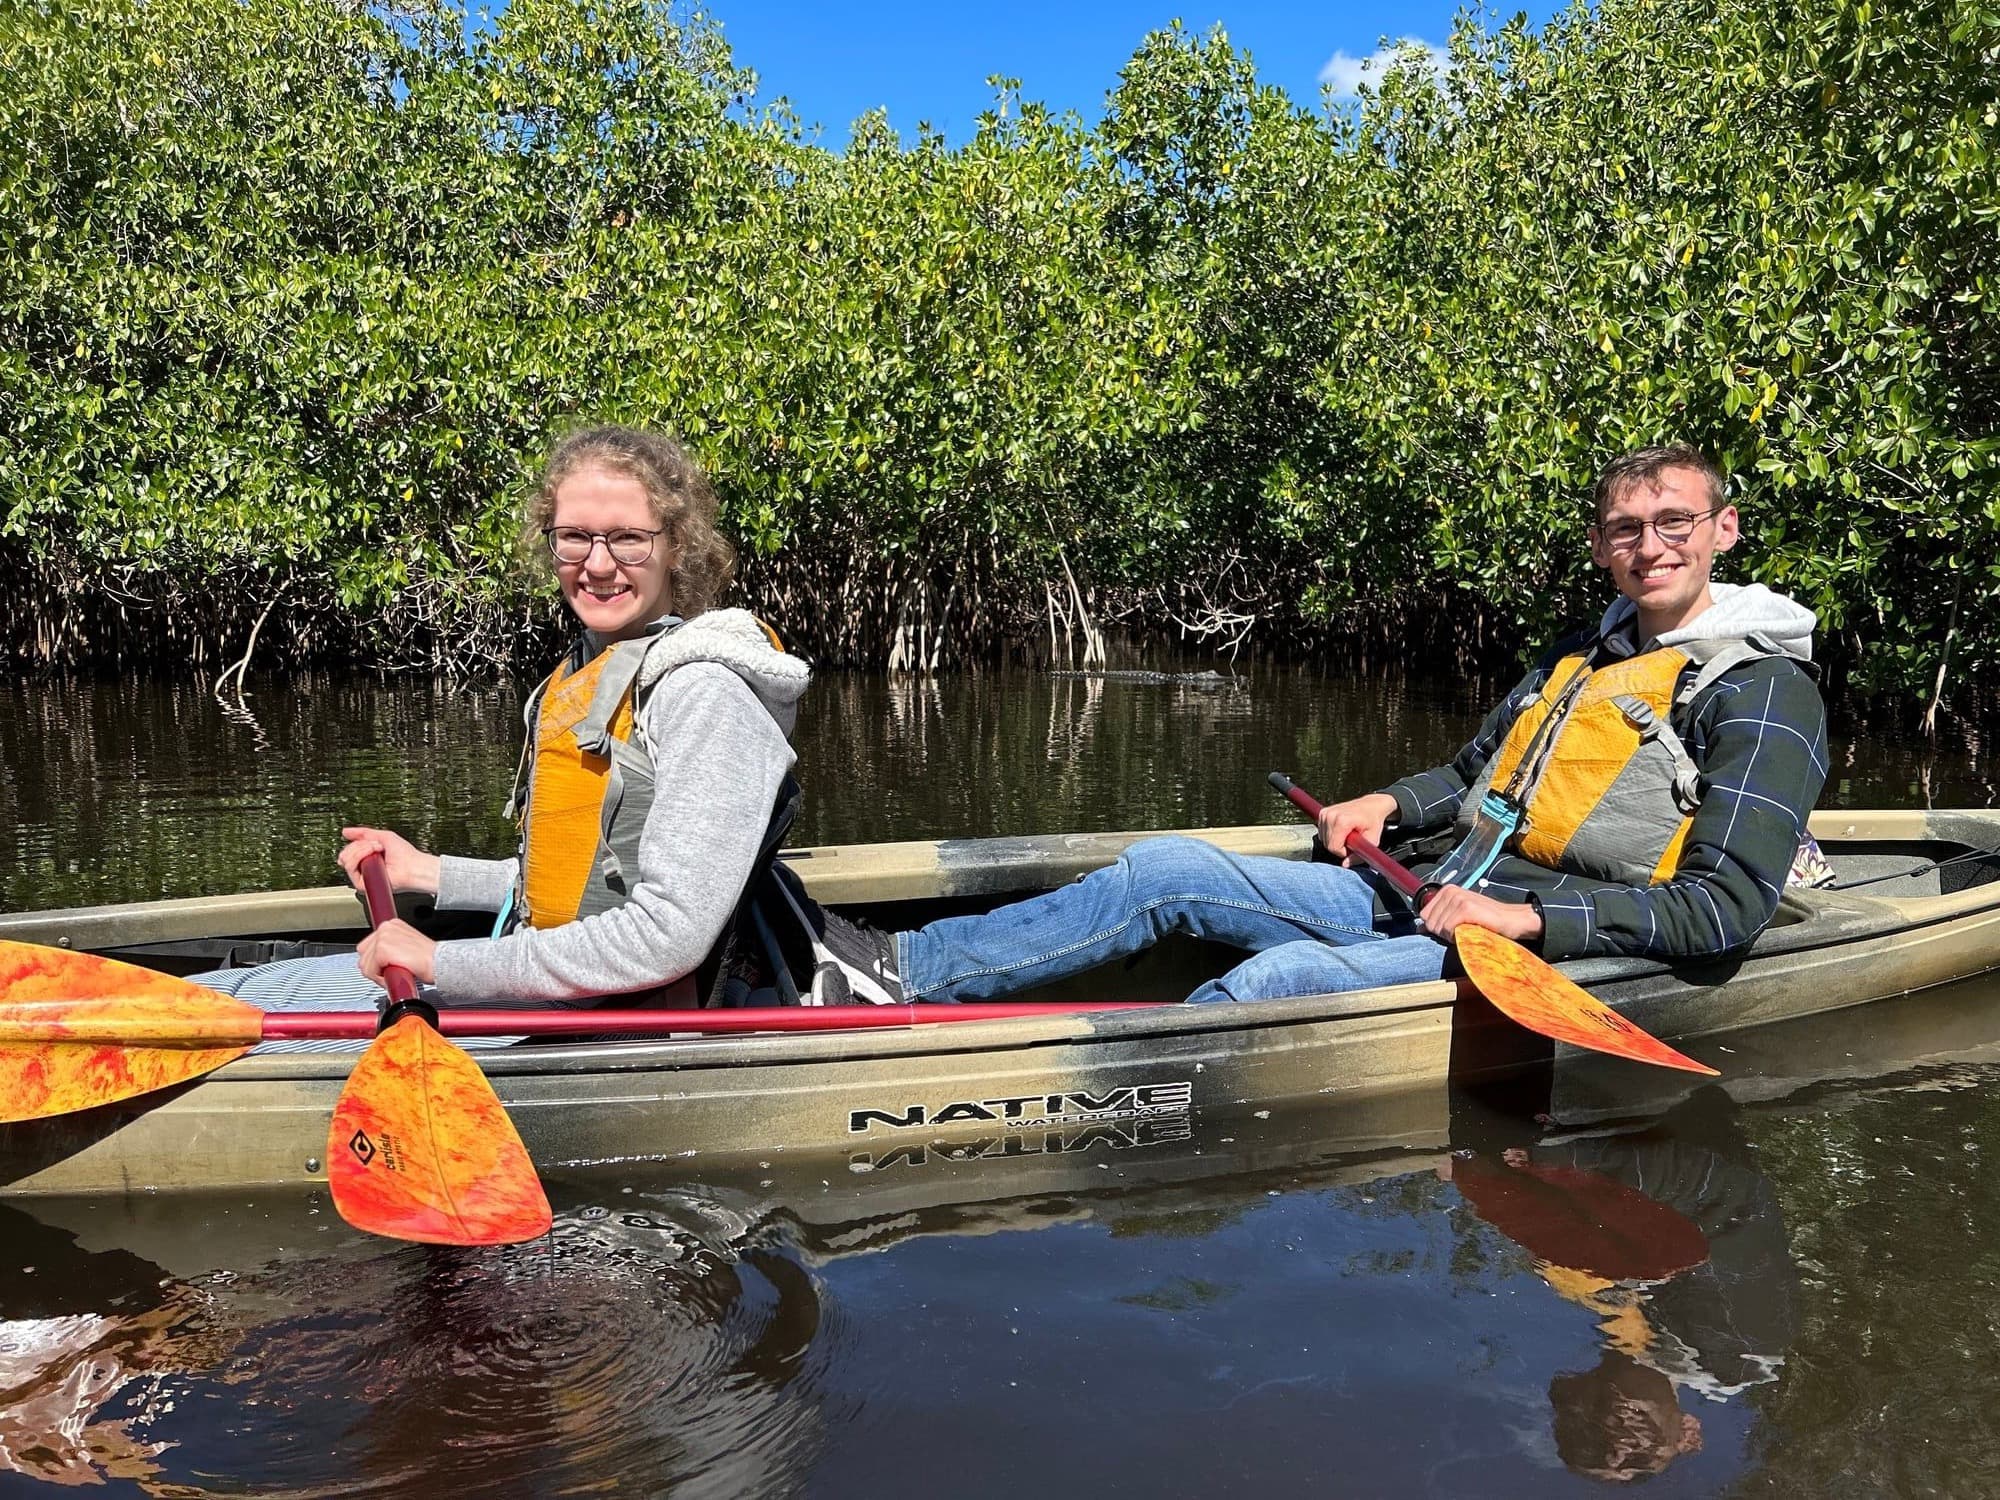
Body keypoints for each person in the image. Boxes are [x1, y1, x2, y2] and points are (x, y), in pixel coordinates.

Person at [836, 444, 1830, 1005]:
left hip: (1544, 943)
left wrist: (1523, 918)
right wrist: (1382, 806)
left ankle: (1093, 1095)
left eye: (1673, 525)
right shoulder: (1583, 653)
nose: (1648, 547)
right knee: (1163, 869)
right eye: (1626, 529)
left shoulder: (1762, 690)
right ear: (1600, 545)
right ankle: (893, 973)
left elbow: (1724, 907)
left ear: (1720, 532)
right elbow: (1469, 779)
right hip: (1439, 891)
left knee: (1286, 977)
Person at [199, 425, 865, 1028]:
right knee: (250, 988)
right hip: (556, 986)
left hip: (621, 1024)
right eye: (575, 536)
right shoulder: (589, 672)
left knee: (239, 1014)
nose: (598, 564)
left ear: (677, 545)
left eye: (628, 539)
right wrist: (433, 873)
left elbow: (666, 934)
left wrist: (439, 963)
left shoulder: (705, 692)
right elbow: (580, 891)